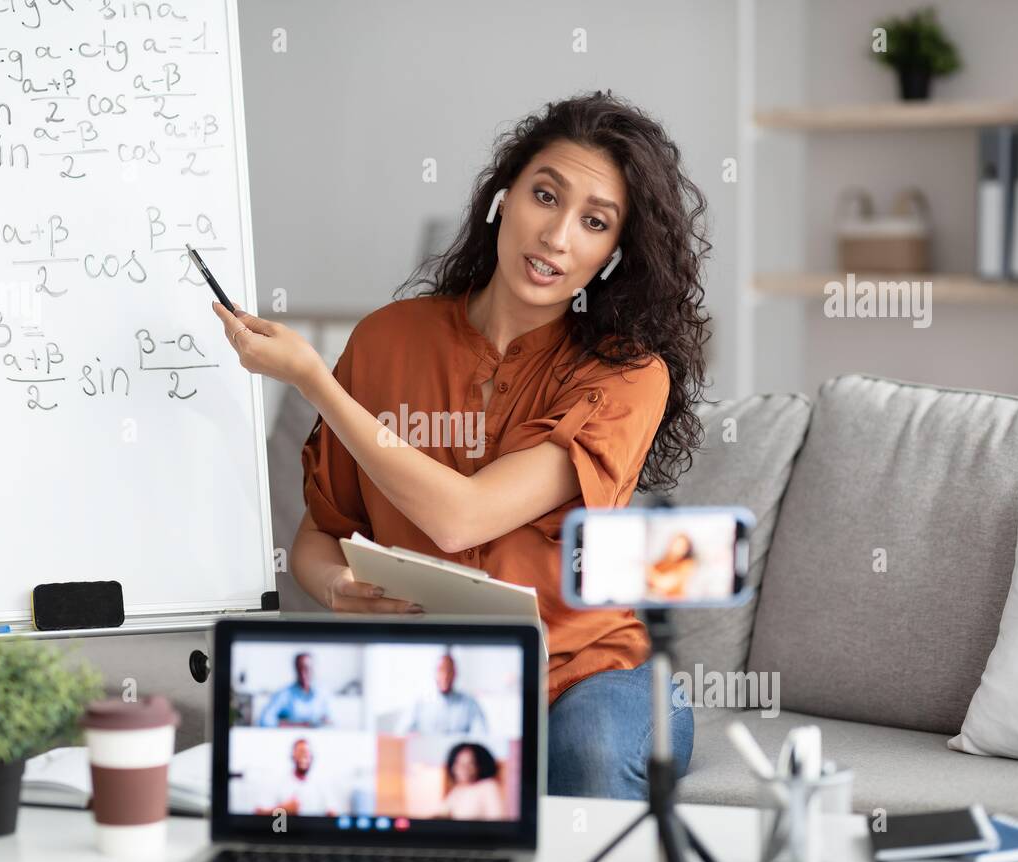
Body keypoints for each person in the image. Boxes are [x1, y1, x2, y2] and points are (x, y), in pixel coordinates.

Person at [211, 91, 703, 798]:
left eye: (593, 222)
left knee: (588, 751)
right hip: (430, 675)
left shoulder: (629, 376)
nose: (557, 236)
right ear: (504, 199)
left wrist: (316, 383)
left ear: (613, 253)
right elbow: (321, 536)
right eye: (545, 195)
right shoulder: (387, 338)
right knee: (289, 760)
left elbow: (462, 516)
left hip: (589, 675)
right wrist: (336, 588)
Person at [397, 653, 488, 735]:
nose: (445, 676)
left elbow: (481, 735)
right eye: (441, 670)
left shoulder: (470, 703)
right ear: (435, 673)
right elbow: (401, 733)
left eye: (449, 671)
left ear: (455, 674)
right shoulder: (420, 703)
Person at [255, 738, 339, 816]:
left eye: (307, 753)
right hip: (284, 830)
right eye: (300, 752)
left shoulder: (322, 784)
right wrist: (283, 810)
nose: (304, 756)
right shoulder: (278, 781)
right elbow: (258, 812)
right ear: (293, 756)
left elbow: (333, 813)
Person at [257, 652, 331, 727]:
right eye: (299, 669)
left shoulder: (323, 694)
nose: (303, 673)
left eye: (306, 668)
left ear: (313, 669)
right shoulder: (284, 694)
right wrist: (298, 725)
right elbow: (264, 720)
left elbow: (333, 722)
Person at [439, 743, 506, 821]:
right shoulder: (456, 790)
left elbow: (498, 822)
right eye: (458, 763)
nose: (463, 768)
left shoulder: (488, 786)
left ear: (480, 765)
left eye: (470, 763)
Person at [647, 532, 698, 600]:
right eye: (675, 544)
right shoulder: (661, 563)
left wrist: (647, 570)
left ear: (686, 549)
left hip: (675, 606)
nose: (676, 548)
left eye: (681, 546)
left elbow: (664, 584)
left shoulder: (686, 565)